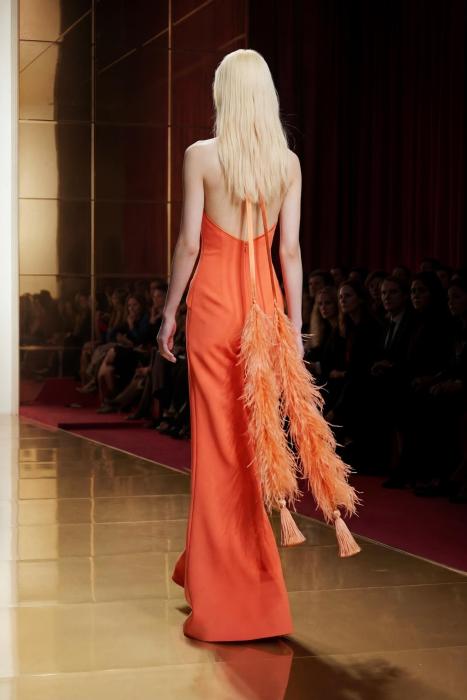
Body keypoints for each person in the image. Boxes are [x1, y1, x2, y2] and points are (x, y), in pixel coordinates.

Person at [156, 49, 361, 643]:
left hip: (214, 308)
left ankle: (224, 590)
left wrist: (168, 312)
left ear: (224, 95)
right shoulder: (286, 163)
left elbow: (189, 245)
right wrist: (295, 327)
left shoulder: (201, 156)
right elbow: (289, 252)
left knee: (219, 449)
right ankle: (234, 581)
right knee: (254, 444)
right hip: (264, 309)